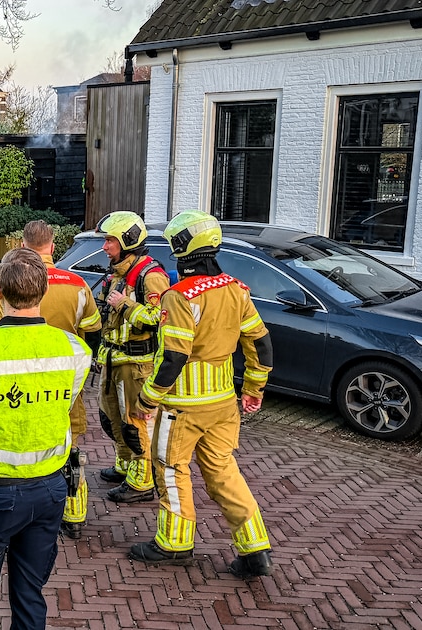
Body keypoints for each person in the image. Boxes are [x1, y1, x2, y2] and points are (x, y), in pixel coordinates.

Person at [0, 247, 93, 630]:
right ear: (42, 293)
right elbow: (68, 397)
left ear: (0, 294)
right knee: (30, 594)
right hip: (50, 492)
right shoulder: (75, 350)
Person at [127, 210, 275, 579]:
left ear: (181, 248)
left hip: (183, 406)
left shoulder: (179, 297)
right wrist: (254, 388)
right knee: (224, 472)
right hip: (224, 403)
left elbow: (174, 357)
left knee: (171, 470)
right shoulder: (235, 289)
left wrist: (148, 399)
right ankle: (255, 549)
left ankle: (174, 544)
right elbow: (261, 343)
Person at [0, 220, 101, 539]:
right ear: (52, 245)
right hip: (65, 380)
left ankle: (23, 509)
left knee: (23, 443)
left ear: (22, 244)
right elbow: (94, 330)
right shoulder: (77, 284)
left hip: (18, 384)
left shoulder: (4, 288)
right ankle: (74, 512)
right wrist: (85, 364)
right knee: (69, 444)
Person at [93, 211, 170, 504]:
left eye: (110, 240)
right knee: (110, 416)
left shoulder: (151, 276)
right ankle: (124, 465)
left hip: (137, 365)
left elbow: (160, 317)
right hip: (114, 361)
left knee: (135, 422)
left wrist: (125, 304)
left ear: (127, 241)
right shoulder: (117, 273)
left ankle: (141, 483)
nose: (105, 246)